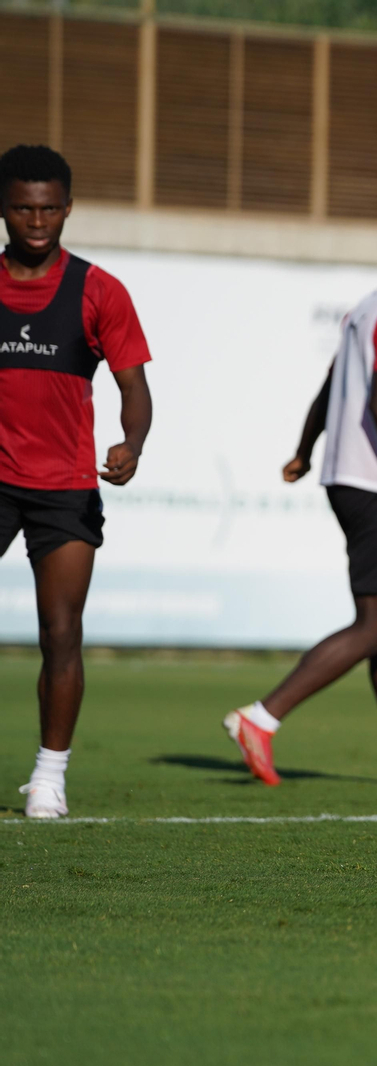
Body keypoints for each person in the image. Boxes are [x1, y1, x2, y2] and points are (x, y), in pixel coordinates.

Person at [224, 208, 377, 789]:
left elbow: (332, 385)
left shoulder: (367, 309)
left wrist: (306, 449)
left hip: (356, 481)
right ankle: (260, 718)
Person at [1, 145, 153, 819]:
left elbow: (134, 387)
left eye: (50, 208)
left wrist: (134, 441)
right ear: (5, 209)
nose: (37, 221)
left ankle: (49, 778)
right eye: (23, 208)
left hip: (64, 485)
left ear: (67, 208)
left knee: (61, 632)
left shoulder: (99, 291)